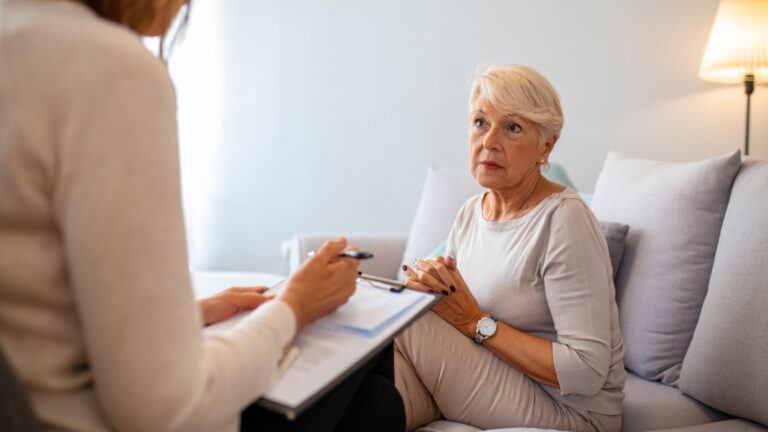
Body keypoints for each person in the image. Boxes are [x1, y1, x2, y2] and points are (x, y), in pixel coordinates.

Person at [0, 0, 404, 431]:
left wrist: (186, 315)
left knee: (376, 403)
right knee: (376, 383)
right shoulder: (107, 68)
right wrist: (295, 306)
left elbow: (37, 297)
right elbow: (164, 410)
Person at [396, 64, 626, 432]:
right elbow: (452, 312)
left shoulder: (565, 219)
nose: (489, 141)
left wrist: (474, 321)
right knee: (373, 376)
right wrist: (429, 290)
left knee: (403, 323)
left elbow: (586, 371)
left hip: (571, 410)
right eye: (480, 122)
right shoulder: (471, 213)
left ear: (545, 146)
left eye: (513, 127)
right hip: (494, 377)